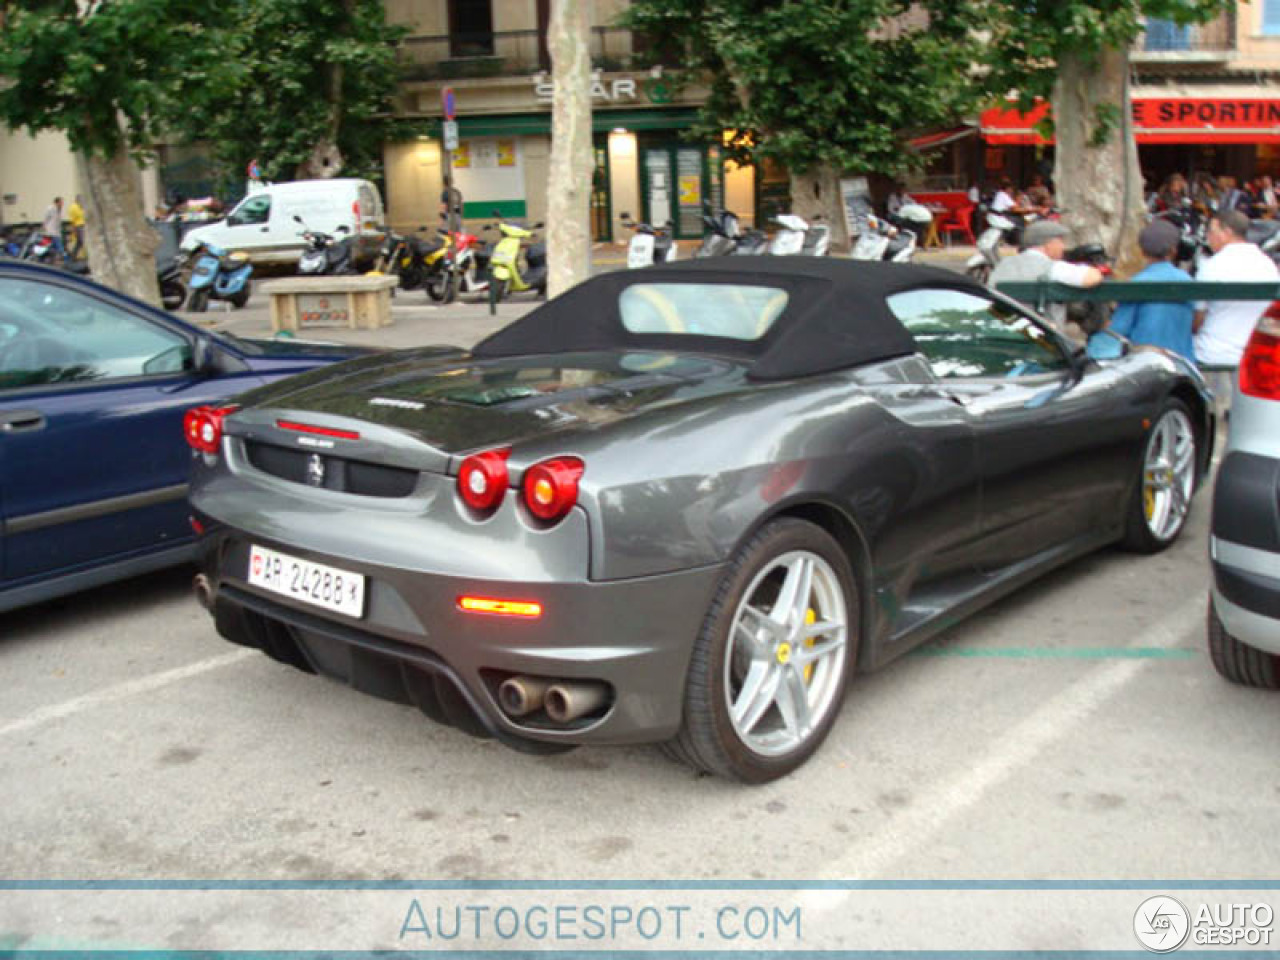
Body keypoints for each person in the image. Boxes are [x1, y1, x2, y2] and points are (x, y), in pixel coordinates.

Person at [1193, 208, 1280, 374]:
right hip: (1257, 356)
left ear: (1226, 233)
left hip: (1213, 355)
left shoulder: (1211, 266)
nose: (1208, 238)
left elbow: (1197, 320)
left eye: (1211, 231)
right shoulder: (1267, 265)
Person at [1099, 219, 1195, 364]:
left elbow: (1117, 331)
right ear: (1174, 250)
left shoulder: (1137, 283)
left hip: (1145, 365)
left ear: (1142, 252)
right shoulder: (1188, 280)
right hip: (1183, 364)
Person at [989, 219, 1105, 337]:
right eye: (1060, 241)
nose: (1063, 247)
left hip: (1003, 331)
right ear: (1049, 244)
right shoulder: (1053, 268)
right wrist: (1084, 267)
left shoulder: (1003, 265)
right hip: (1043, 336)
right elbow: (1092, 277)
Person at [41, 196, 66, 260]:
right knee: (58, 247)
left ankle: (53, 258)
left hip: (56, 232)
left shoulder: (60, 209)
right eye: (61, 202)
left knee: (52, 247)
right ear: (57, 202)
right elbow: (46, 218)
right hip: (50, 231)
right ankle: (64, 259)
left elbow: (60, 220)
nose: (62, 204)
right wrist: (44, 226)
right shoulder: (50, 208)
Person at [66, 194, 85, 260]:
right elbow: (72, 220)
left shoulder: (79, 206)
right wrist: (74, 230)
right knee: (83, 241)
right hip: (78, 226)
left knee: (79, 243)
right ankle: (82, 257)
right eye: (81, 199)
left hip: (81, 226)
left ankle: (73, 256)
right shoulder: (73, 207)